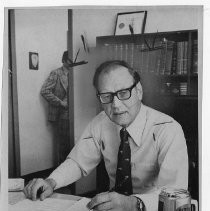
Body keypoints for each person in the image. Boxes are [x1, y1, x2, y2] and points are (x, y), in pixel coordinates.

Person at [24, 60, 188, 211]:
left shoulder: (168, 129)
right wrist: (51, 181)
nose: (116, 105)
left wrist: (131, 203)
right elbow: (78, 161)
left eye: (123, 93)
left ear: (138, 91)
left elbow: (174, 194)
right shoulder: (101, 122)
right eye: (107, 96)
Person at [40, 51, 71, 165]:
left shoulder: (77, 73)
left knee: (74, 144)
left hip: (75, 114)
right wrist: (60, 103)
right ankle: (61, 174)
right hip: (62, 115)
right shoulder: (56, 73)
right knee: (63, 146)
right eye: (69, 59)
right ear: (64, 60)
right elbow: (44, 91)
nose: (72, 62)